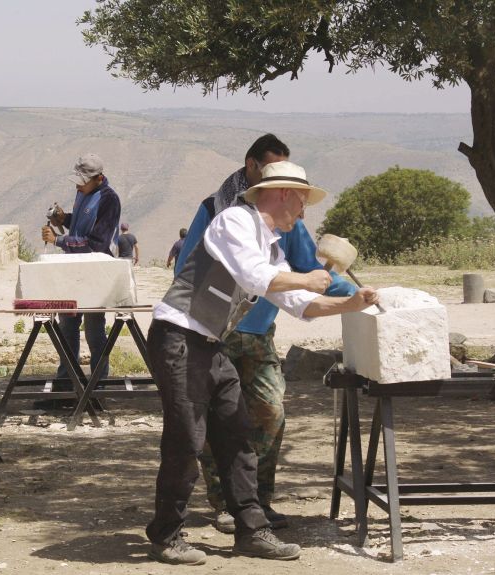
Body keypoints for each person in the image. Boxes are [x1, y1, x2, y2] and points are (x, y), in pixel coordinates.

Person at [145, 160, 379, 566]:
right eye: (303, 202)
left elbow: (299, 303)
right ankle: (166, 534)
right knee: (186, 439)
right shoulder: (234, 220)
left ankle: (251, 531)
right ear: (285, 194)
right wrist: (309, 279)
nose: (305, 212)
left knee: (237, 436)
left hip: (210, 344)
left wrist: (351, 303)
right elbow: (256, 278)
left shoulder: (271, 247)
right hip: (178, 338)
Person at [176, 134, 356, 534]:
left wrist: (356, 297)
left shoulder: (284, 224)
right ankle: (225, 504)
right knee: (215, 420)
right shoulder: (219, 211)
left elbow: (310, 274)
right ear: (252, 167)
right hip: (215, 332)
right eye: (268, 167)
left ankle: (257, 501)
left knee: (268, 413)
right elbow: (191, 268)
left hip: (258, 333)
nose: (303, 210)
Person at [42, 153, 121, 384]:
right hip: (73, 267)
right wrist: (63, 218)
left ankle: (98, 384)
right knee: (68, 326)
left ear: (98, 178)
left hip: (96, 271)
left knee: (94, 330)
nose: (78, 185)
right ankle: (68, 381)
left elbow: (96, 244)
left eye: (83, 181)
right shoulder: (83, 193)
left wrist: (58, 240)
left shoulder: (109, 199)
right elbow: (80, 222)